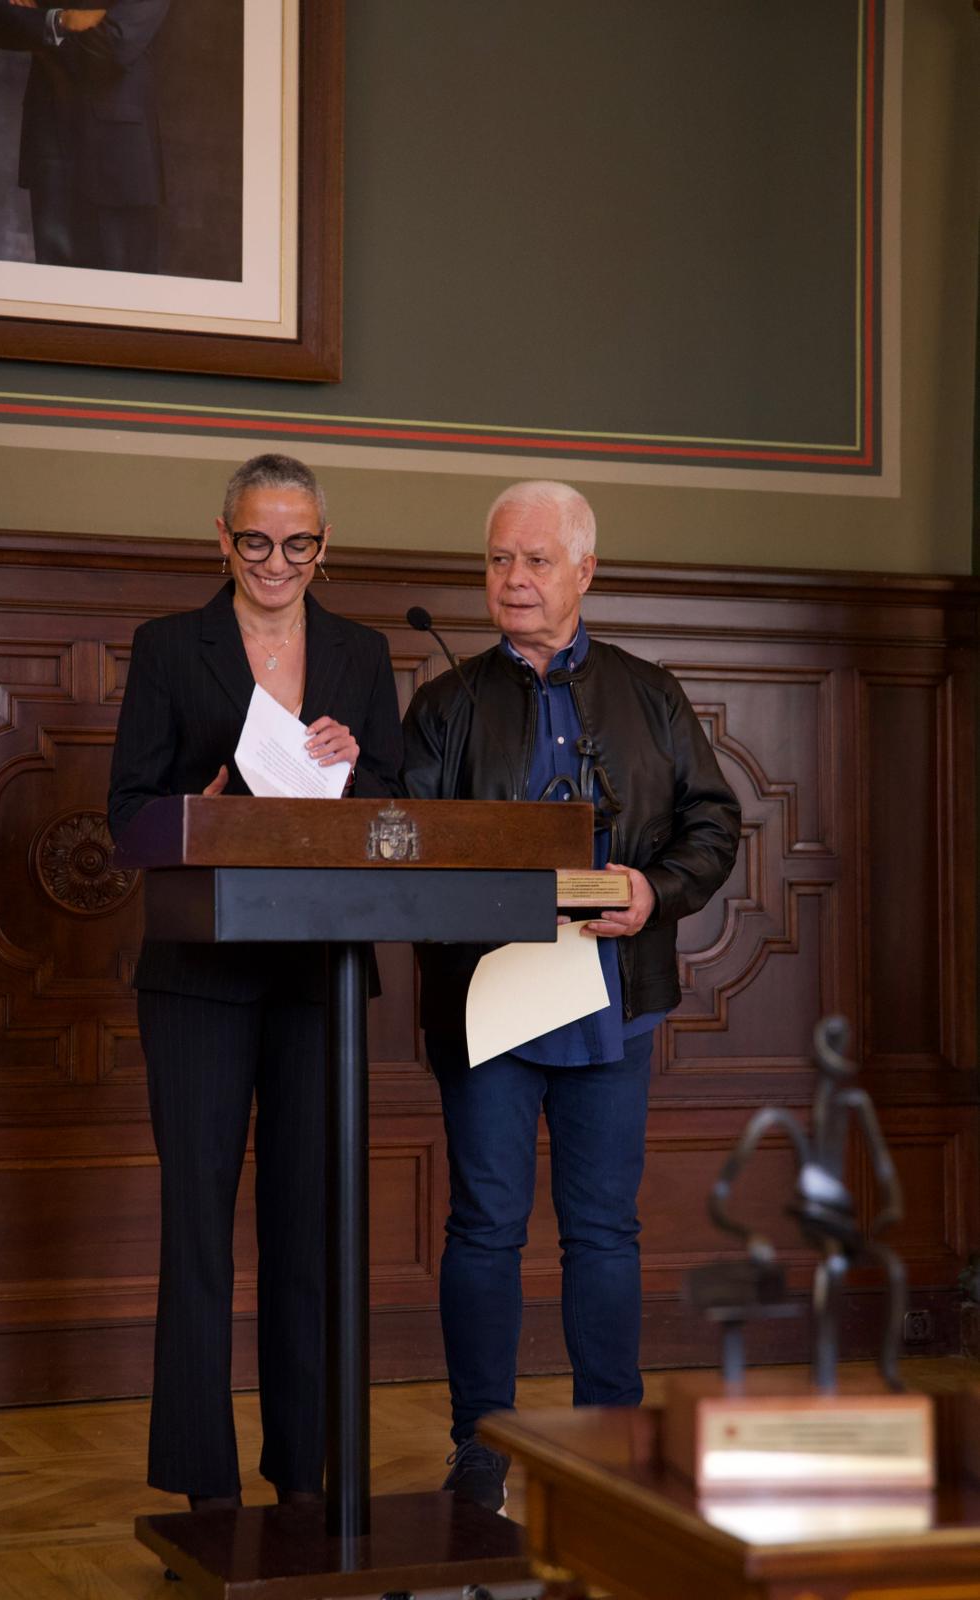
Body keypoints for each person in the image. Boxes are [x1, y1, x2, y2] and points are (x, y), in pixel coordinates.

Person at [403, 480, 741, 1512]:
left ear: (585, 572)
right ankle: (480, 1448)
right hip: (491, 995)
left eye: (535, 560)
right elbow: (406, 846)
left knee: (602, 1229)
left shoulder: (648, 692)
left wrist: (655, 887)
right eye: (498, 559)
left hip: (609, 992)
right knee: (485, 1226)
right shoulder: (445, 701)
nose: (512, 578)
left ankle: (612, 1439)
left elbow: (712, 822)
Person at [108, 453, 404, 1509]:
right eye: (255, 540)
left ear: (326, 547)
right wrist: (213, 797)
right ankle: (203, 1485)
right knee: (198, 1227)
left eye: (299, 543)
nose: (277, 561)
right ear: (220, 538)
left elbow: (395, 807)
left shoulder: (363, 654)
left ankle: (305, 1471)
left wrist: (353, 760)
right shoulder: (167, 648)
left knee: (309, 1225)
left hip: (318, 976)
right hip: (196, 976)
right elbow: (127, 818)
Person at [0, 0, 171, 273]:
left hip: (119, 160)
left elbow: (112, 46)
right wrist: (61, 21)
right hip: (50, 146)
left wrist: (36, 26)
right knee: (55, 296)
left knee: (119, 299)